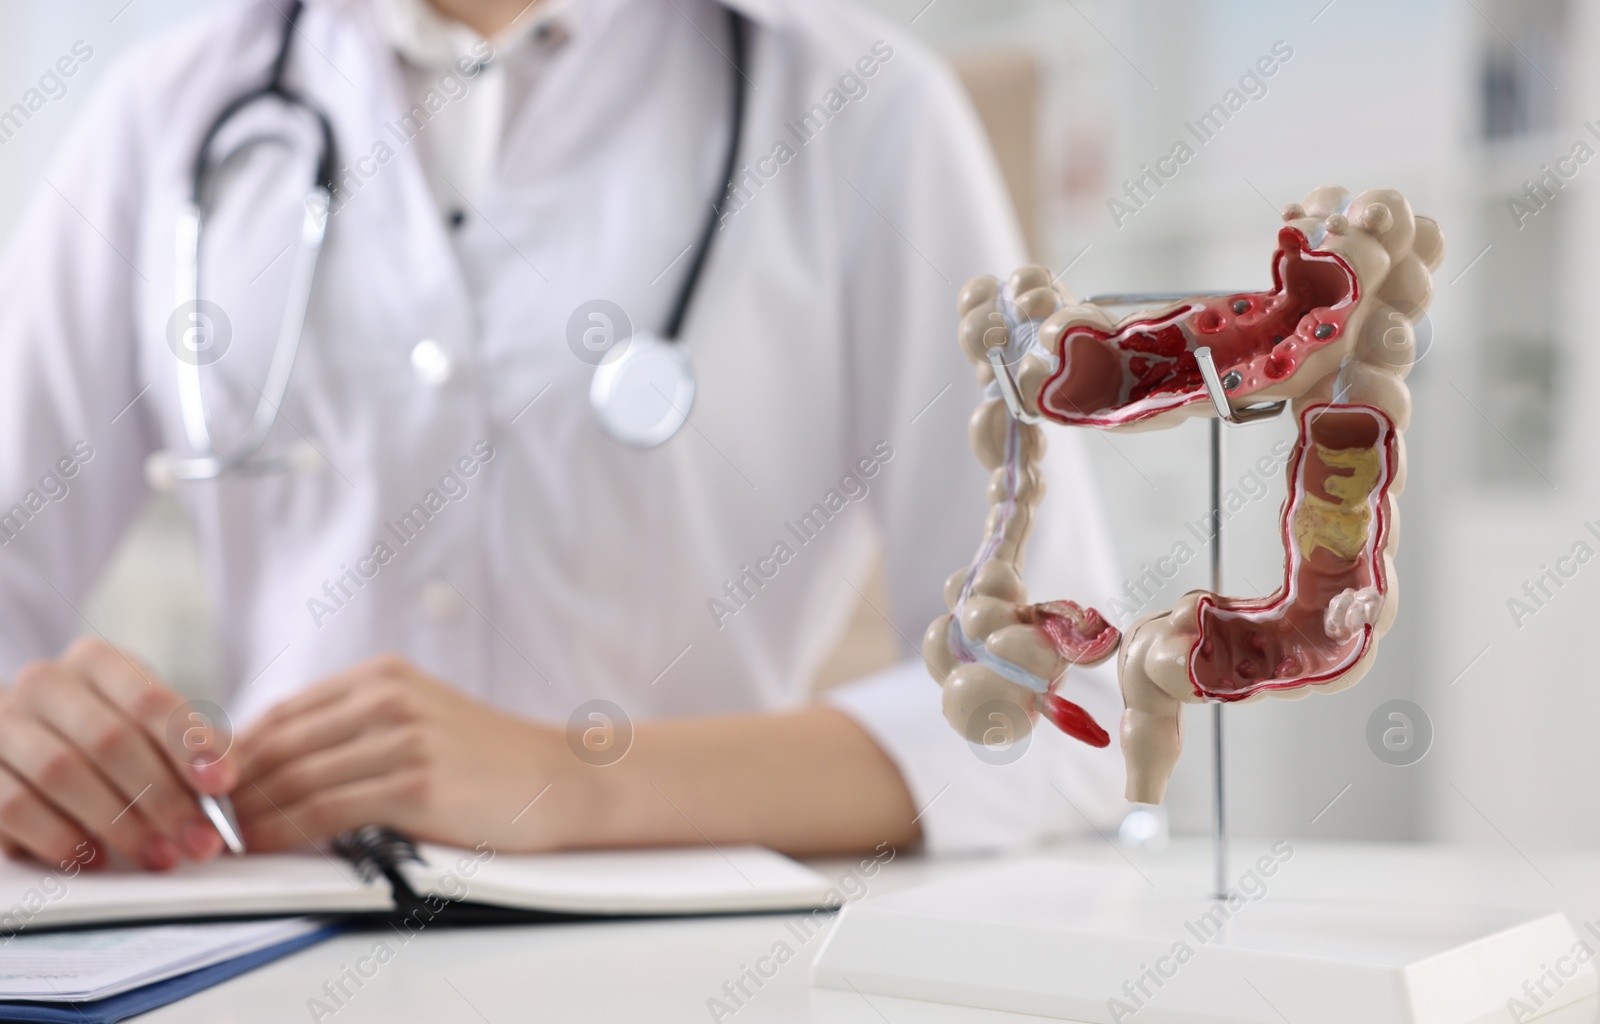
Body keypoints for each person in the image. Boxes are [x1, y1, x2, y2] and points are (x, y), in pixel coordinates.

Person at [0, 0, 1123, 872]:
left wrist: (575, 776)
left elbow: (1065, 706)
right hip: (255, 958)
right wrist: (32, 741)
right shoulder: (164, 110)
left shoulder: (861, 104)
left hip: (697, 976)